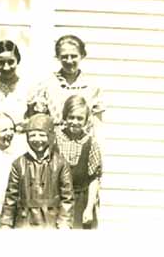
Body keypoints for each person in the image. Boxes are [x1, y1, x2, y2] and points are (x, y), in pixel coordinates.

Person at [0, 113, 74, 229]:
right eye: (32, 135)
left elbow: (67, 198)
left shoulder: (61, 164)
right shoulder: (18, 164)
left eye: (42, 135)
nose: (37, 139)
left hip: (51, 222)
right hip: (24, 222)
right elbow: (11, 197)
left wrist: (64, 223)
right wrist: (6, 223)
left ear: (50, 136)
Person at [27, 34, 104, 137]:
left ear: (82, 55)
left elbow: (97, 124)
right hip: (54, 144)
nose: (69, 61)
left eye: (73, 56)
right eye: (64, 56)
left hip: (84, 145)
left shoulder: (92, 87)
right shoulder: (46, 85)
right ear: (58, 57)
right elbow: (39, 122)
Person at [55, 95, 102, 229]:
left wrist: (89, 208)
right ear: (65, 116)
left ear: (86, 120)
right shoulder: (55, 139)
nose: (75, 122)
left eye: (80, 118)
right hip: (57, 199)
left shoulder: (90, 143)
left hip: (81, 201)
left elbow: (94, 178)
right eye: (71, 117)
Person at [0, 40, 35, 154]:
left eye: (11, 62)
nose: (6, 67)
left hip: (21, 145)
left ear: (18, 61)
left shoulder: (28, 87)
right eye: (1, 62)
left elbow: (34, 121)